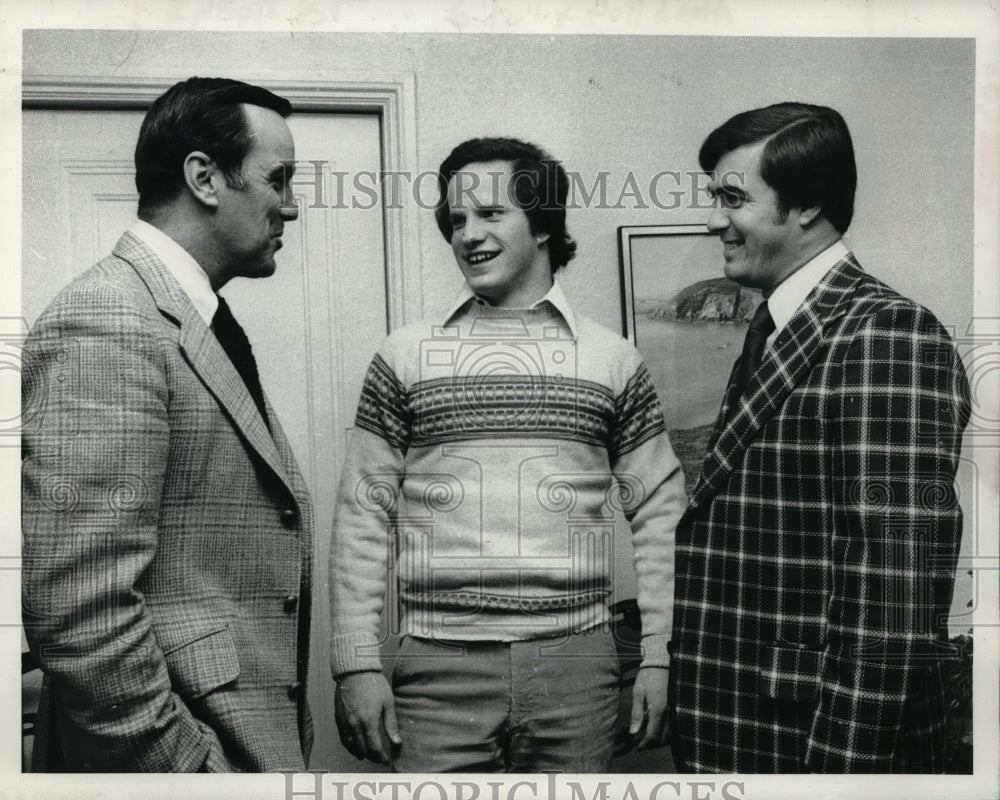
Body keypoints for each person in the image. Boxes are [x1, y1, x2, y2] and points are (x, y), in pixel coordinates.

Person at [329, 137, 687, 772]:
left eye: (491, 214)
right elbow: (362, 516)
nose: (468, 234)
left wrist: (659, 654)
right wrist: (355, 661)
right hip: (438, 670)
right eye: (457, 219)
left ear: (543, 223)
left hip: (580, 668)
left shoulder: (611, 360)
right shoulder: (406, 355)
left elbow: (661, 516)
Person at [668, 102, 971, 773]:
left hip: (814, 748)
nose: (714, 218)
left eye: (733, 197)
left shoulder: (886, 333)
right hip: (745, 732)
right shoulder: (778, 328)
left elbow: (896, 599)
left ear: (807, 205)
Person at [21, 77, 312, 772]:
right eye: (279, 180)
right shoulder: (109, 320)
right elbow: (81, 614)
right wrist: (190, 774)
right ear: (205, 178)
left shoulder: (189, 318)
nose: (292, 207)